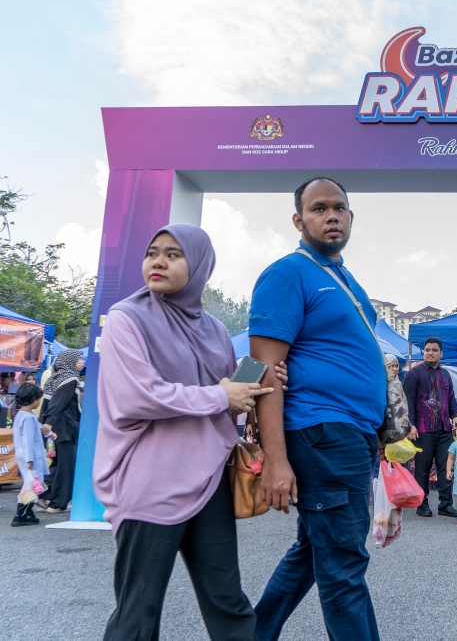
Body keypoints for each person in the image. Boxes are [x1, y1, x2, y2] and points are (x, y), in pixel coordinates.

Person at [94, 224, 273, 640]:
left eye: (174, 254)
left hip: (209, 480)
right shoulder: (126, 318)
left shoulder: (213, 329)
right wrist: (220, 395)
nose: (158, 261)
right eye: (152, 252)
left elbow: (228, 399)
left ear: (200, 266)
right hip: (150, 482)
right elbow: (138, 395)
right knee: (139, 609)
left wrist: (256, 384)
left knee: (228, 601)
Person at [250, 178, 385, 641]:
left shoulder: (343, 277)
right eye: (319, 208)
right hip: (322, 432)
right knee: (344, 565)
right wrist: (276, 459)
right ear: (298, 220)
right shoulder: (288, 273)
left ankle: (251, 634)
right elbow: (266, 370)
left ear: (351, 217)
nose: (331, 216)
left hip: (350, 433)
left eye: (340, 208)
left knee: (314, 552)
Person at [403, 337, 457, 518]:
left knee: (446, 466)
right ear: (424, 352)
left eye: (434, 350)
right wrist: (410, 425)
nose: (430, 353)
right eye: (427, 350)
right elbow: (408, 402)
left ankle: (445, 504)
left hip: (444, 428)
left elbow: (451, 398)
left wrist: (456, 415)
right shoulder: (414, 373)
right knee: (423, 468)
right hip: (422, 428)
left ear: (441, 353)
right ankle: (422, 504)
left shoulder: (445, 374)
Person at [37, 349, 84, 514]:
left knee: (55, 464)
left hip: (52, 428)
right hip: (63, 428)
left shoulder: (54, 378)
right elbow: (58, 402)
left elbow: (47, 403)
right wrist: (49, 422)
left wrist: (46, 423)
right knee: (66, 466)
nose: (82, 362)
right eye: (80, 359)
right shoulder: (70, 379)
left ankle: (43, 494)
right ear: (71, 361)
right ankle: (56, 503)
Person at [11, 384, 48, 527]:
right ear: (33, 400)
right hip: (31, 457)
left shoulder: (21, 415)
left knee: (30, 483)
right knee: (32, 486)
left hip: (23, 456)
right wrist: (30, 458)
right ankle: (21, 513)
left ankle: (28, 512)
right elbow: (28, 439)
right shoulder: (28, 418)